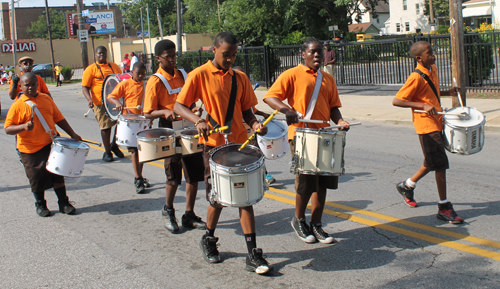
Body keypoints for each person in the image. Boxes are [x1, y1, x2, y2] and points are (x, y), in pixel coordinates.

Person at [174, 32, 273, 275]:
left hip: (240, 146)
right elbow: (178, 105)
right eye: (226, 54)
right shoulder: (199, 74)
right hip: (214, 146)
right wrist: (197, 120)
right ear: (214, 50)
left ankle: (252, 254)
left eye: (234, 55)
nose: (230, 59)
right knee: (217, 198)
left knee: (245, 198)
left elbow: (248, 110)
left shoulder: (240, 77)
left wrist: (255, 125)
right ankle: (208, 238)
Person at [264, 37, 350, 244]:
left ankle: (317, 224)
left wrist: (340, 120)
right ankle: (299, 219)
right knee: (306, 182)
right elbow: (270, 96)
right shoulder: (292, 74)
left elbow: (333, 108)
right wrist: (287, 109)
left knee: (323, 183)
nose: (317, 55)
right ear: (303, 54)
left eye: (319, 51)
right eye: (312, 52)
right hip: (302, 135)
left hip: (326, 134)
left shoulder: (328, 79)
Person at [392, 41, 463, 224]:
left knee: (432, 160)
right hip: (426, 126)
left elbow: (430, 93)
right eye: (429, 53)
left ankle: (407, 185)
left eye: (432, 51)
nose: (433, 54)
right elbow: (398, 100)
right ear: (419, 58)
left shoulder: (432, 68)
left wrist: (448, 92)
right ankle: (444, 207)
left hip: (437, 122)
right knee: (440, 164)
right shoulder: (415, 77)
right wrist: (422, 105)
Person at [143, 39, 206, 233]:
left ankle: (189, 214)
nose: (172, 60)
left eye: (174, 56)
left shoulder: (183, 75)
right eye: (168, 57)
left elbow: (192, 99)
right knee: (173, 174)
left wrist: (195, 108)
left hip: (187, 128)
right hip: (169, 130)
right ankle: (168, 210)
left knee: (193, 174)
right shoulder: (155, 81)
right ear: (158, 58)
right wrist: (163, 112)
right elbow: (147, 112)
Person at [4, 73, 82, 217]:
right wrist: (23, 127)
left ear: (37, 85)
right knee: (37, 177)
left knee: (57, 174)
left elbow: (59, 118)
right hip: (29, 148)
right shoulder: (17, 106)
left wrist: (72, 133)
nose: (30, 87)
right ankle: (41, 205)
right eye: (26, 85)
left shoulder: (46, 99)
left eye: (33, 84)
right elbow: (8, 128)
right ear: (20, 86)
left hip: (50, 144)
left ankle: (64, 203)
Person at [107, 62, 150, 194]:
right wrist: (117, 102)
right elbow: (110, 97)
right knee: (134, 151)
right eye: (138, 73)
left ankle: (140, 176)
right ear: (132, 72)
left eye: (143, 73)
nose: (141, 76)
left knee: (142, 151)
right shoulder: (125, 84)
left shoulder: (146, 85)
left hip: (143, 121)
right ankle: (138, 178)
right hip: (130, 122)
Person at [232, 66, 276, 185]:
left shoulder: (245, 91)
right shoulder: (231, 93)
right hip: (238, 129)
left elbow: (251, 110)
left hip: (250, 127)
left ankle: (263, 174)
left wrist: (263, 113)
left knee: (256, 151)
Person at [82, 46, 124, 162]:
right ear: (95, 55)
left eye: (104, 54)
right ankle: (107, 152)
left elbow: (120, 81)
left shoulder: (113, 66)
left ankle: (114, 145)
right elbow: (85, 87)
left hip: (114, 100)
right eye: (99, 54)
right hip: (99, 103)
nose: (102, 56)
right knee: (105, 127)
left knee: (120, 124)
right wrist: (89, 99)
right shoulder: (90, 69)